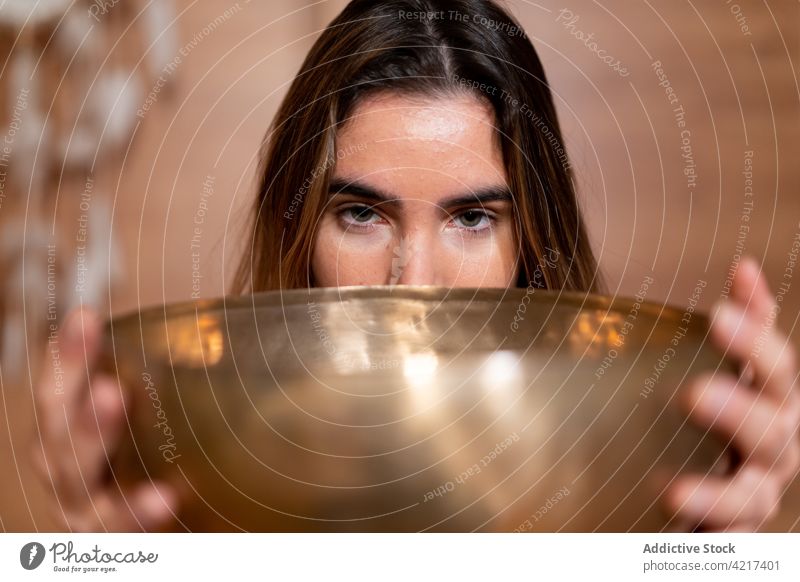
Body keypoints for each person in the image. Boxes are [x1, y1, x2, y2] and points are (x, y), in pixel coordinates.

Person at [32, 0, 799, 532]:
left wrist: (706, 553)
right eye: (361, 213)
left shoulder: (617, 500)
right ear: (298, 226)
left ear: (531, 239)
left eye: (472, 218)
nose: (415, 283)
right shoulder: (202, 484)